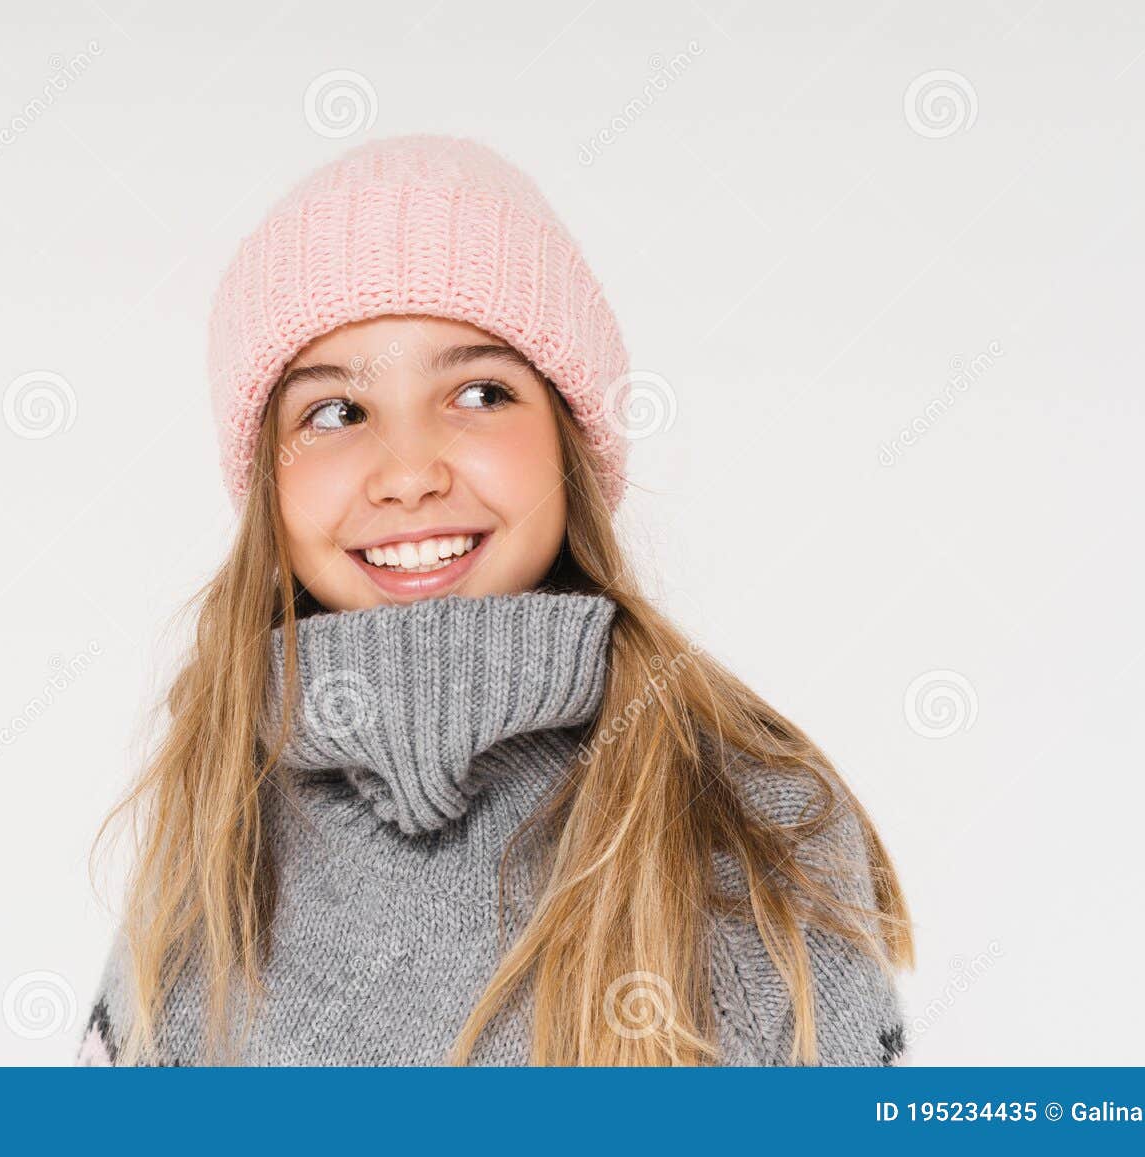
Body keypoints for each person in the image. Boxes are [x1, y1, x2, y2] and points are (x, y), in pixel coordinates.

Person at [76, 133, 912, 1067]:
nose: (407, 471)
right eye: (335, 411)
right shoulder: (215, 808)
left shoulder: (750, 812)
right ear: (268, 484)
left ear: (569, 438)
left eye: (479, 391)